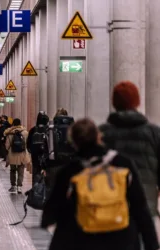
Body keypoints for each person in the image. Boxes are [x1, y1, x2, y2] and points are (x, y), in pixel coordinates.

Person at [41, 118, 159, 250]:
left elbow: (49, 215)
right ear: (99, 136)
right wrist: (151, 244)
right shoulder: (122, 163)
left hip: (83, 240)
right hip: (122, 239)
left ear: (73, 141)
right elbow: (140, 208)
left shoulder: (69, 171)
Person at [99, 81, 160, 238]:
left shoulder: (102, 133)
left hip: (109, 206)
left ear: (114, 102)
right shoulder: (153, 133)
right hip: (144, 206)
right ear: (137, 102)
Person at [4, 118, 31, 194]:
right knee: (21, 170)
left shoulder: (9, 133)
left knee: (12, 170)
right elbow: (27, 144)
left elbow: (7, 145)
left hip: (12, 154)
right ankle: (19, 187)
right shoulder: (25, 132)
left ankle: (13, 186)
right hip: (22, 154)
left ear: (13, 124)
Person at [27, 111, 50, 183]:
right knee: (47, 173)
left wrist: (32, 151)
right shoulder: (48, 129)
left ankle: (36, 190)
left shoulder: (33, 130)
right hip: (46, 156)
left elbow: (28, 144)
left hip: (35, 156)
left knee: (36, 172)